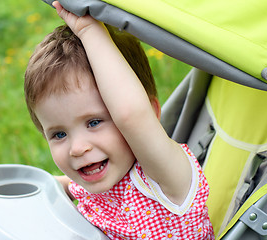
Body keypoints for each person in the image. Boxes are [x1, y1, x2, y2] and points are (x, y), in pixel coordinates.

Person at [24, 1, 214, 239]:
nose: (77, 148)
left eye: (93, 122)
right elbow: (61, 185)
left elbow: (131, 115)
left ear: (151, 113)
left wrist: (89, 30)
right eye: (59, 134)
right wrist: (33, 188)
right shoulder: (95, 177)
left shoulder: (167, 181)